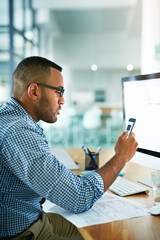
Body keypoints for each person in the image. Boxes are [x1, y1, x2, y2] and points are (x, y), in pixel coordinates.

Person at [0, 56, 138, 240]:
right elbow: (79, 198)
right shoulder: (19, 132)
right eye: (59, 91)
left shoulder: (11, 119)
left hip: (33, 218)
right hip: (24, 233)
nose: (63, 100)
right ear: (34, 91)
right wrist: (121, 156)